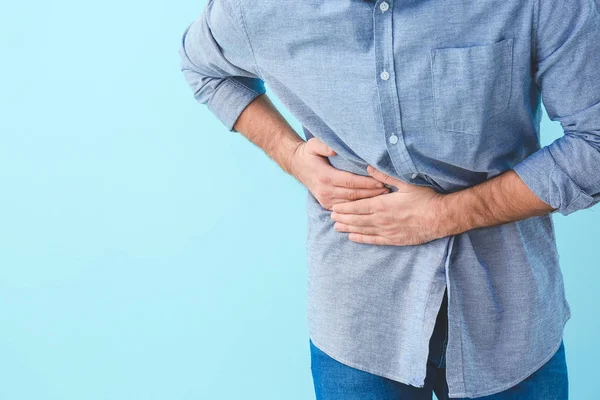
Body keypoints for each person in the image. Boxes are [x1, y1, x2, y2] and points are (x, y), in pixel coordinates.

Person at [178, 0, 600, 398]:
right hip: (358, 327)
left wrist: (443, 215)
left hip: (511, 320)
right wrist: (292, 157)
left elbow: (595, 145)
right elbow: (203, 67)